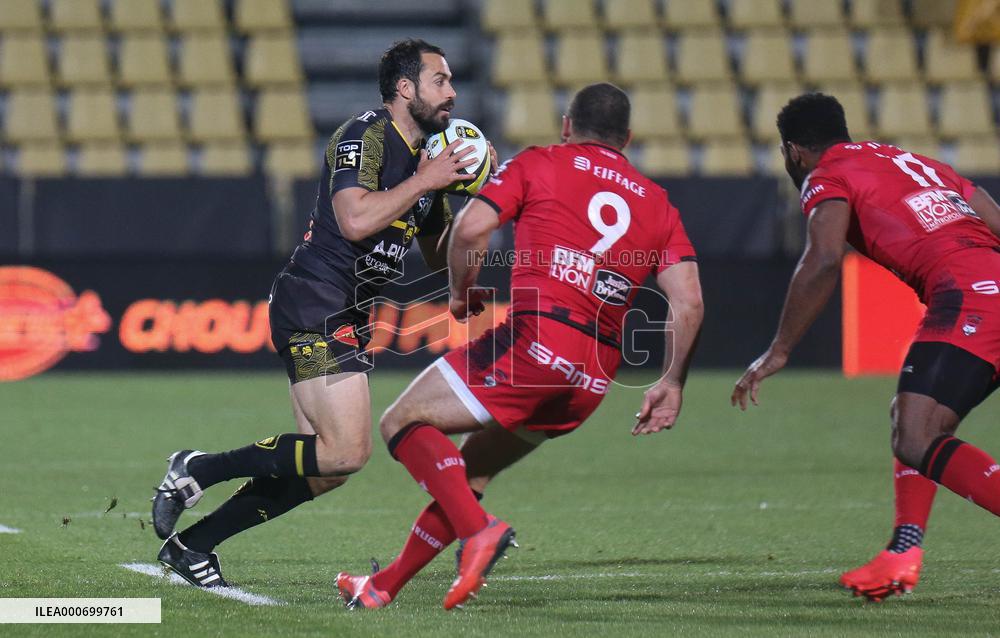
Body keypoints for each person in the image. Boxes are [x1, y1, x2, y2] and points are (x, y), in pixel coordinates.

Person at [335, 82, 704, 610]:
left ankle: (478, 532)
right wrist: (671, 383)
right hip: (594, 376)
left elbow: (471, 230)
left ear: (566, 125)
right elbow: (689, 302)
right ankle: (382, 587)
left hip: (537, 341)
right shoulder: (657, 202)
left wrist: (461, 295)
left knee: (402, 422)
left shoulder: (541, 163)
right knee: (471, 472)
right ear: (627, 139)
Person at [149, 39, 493, 587]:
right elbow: (354, 221)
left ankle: (193, 545)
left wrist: (478, 205)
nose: (452, 93)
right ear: (406, 89)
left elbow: (435, 250)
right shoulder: (366, 135)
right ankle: (198, 467)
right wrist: (426, 181)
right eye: (440, 81)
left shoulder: (428, 163)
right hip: (316, 299)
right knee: (347, 451)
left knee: (327, 467)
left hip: (345, 311)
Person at [732, 93, 1000, 601]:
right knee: (916, 419)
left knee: (917, 434)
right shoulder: (913, 161)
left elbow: (824, 258)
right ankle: (904, 549)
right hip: (987, 289)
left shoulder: (825, 174)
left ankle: (904, 550)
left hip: (967, 297)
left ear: (793, 152)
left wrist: (780, 349)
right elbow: (987, 209)